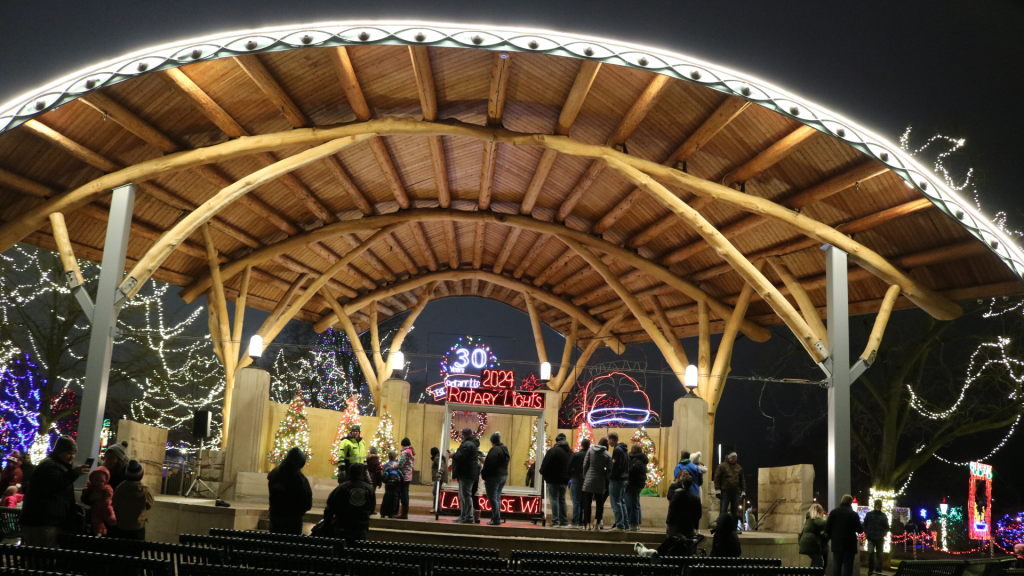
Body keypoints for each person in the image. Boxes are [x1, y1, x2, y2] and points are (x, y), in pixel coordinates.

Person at [21, 435, 89, 547]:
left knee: (36, 559)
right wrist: (74, 474)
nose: (72, 457)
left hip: (41, 521)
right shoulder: (51, 467)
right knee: (43, 559)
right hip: (43, 523)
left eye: (73, 453)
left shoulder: (54, 465)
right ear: (59, 452)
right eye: (68, 453)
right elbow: (54, 486)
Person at [635, 470, 703, 559]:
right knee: (686, 550)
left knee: (674, 549)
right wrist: (695, 526)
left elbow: (672, 511)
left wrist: (668, 523)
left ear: (682, 483)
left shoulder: (677, 494)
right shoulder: (696, 498)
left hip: (676, 527)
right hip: (689, 528)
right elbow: (698, 515)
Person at [324, 462, 376, 544]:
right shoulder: (369, 489)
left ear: (349, 473)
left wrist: (327, 525)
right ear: (361, 473)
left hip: (343, 527)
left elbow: (330, 507)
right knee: (357, 553)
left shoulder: (341, 488)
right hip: (361, 528)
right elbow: (372, 509)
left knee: (341, 553)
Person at [266, 447, 313, 534]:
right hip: (293, 520)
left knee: (275, 544)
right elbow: (307, 502)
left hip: (275, 517)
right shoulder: (300, 479)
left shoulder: (274, 473)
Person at [110, 460, 154, 541]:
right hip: (138, 527)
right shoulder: (145, 491)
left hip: (121, 526)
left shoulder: (120, 488)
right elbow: (148, 505)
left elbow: (114, 503)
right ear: (141, 475)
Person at [825, 494, 864, 576]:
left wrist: (832, 536)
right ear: (850, 503)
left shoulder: (833, 513)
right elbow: (860, 530)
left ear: (841, 501)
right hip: (849, 544)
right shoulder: (853, 514)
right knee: (848, 566)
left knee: (837, 565)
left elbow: (827, 528)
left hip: (836, 543)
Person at [540, 432, 572, 528]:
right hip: (565, 480)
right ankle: (564, 521)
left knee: (554, 499)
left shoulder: (553, 450)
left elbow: (545, 464)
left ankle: (555, 521)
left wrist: (543, 473)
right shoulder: (570, 452)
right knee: (562, 499)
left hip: (553, 479)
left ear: (557, 440)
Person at [581, 437, 611, 530]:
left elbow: (585, 464)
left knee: (587, 503)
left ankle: (586, 524)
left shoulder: (590, 451)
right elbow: (609, 469)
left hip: (589, 479)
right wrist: (604, 475)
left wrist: (586, 475)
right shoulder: (607, 454)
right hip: (600, 480)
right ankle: (597, 523)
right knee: (599, 503)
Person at [451, 428, 480, 524]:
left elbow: (460, 457)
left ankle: (468, 517)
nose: (461, 436)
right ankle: (464, 516)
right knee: (463, 495)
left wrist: (453, 455)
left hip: (466, 473)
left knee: (466, 495)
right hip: (467, 473)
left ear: (465, 435)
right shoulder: (471, 444)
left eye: (462, 434)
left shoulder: (468, 444)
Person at [481, 432, 509, 526]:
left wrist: (484, 475)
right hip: (503, 475)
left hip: (494, 476)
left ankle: (496, 519)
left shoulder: (494, 450)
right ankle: (496, 517)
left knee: (492, 498)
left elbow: (490, 465)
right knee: (497, 498)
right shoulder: (504, 449)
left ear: (492, 441)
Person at [82, 466, 116, 536]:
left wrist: (106, 501)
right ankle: (99, 531)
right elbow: (85, 493)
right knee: (96, 519)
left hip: (105, 505)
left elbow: (109, 495)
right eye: (96, 480)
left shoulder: (107, 487)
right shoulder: (90, 485)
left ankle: (111, 520)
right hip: (95, 507)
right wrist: (88, 495)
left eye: (101, 481)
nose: (98, 483)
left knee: (109, 511)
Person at [607, 433, 630, 531]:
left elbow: (616, 466)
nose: (608, 442)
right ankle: (625, 523)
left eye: (608, 440)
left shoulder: (617, 450)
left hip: (617, 480)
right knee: (621, 502)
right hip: (624, 479)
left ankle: (620, 525)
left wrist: (611, 476)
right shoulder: (624, 450)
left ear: (612, 440)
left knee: (615, 502)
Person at [713, 452, 745, 518]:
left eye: (735, 458)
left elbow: (742, 480)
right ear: (729, 458)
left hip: (735, 492)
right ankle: (721, 525)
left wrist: (743, 491)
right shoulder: (722, 466)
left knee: (735, 510)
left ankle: (733, 526)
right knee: (723, 510)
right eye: (732, 458)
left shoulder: (739, 467)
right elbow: (717, 478)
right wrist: (718, 490)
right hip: (725, 491)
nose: (734, 459)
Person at [863, 499, 890, 575]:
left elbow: (887, 527)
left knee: (879, 555)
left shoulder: (883, 516)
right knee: (870, 554)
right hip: (871, 537)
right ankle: (871, 569)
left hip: (879, 538)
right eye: (877, 505)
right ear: (875, 505)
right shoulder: (869, 515)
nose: (878, 506)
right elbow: (864, 524)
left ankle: (878, 570)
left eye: (879, 505)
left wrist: (883, 534)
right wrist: (867, 532)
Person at [568, 438, 590, 529]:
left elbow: (568, 466)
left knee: (576, 501)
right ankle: (583, 522)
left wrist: (571, 476)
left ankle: (575, 521)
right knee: (584, 502)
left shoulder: (576, 455)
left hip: (576, 480)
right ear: (589, 446)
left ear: (581, 445)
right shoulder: (590, 456)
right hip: (587, 481)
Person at [799, 503, 829, 568]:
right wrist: (830, 518)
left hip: (805, 542)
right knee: (819, 562)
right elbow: (824, 523)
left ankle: (811, 573)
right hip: (810, 543)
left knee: (815, 561)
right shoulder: (815, 518)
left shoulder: (809, 518)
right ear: (819, 511)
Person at [626, 444, 647, 531]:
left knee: (633, 504)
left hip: (633, 484)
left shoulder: (636, 461)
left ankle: (634, 523)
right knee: (636, 503)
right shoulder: (641, 460)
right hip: (638, 484)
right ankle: (636, 522)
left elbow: (631, 472)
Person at [396, 438, 415, 519]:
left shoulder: (405, 452)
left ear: (402, 444)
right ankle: (404, 512)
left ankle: (403, 514)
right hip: (409, 475)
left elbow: (400, 464)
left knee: (403, 494)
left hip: (403, 476)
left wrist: (393, 466)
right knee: (405, 493)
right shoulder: (411, 452)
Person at [380, 452, 401, 518]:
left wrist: (386, 481)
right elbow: (401, 474)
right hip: (396, 484)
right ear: (395, 457)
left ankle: (383, 513)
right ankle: (393, 513)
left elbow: (384, 475)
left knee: (386, 498)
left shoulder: (386, 465)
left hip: (388, 484)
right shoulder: (398, 464)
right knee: (395, 499)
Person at [429, 447, 448, 513]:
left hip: (439, 478)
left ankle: (436, 508)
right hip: (441, 478)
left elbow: (443, 466)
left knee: (435, 492)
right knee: (436, 492)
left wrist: (439, 473)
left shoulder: (437, 458)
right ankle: (438, 507)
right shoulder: (439, 457)